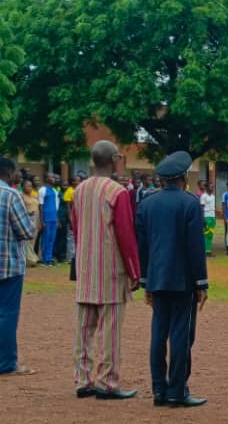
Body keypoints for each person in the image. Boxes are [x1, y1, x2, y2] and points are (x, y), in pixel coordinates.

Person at [135, 151, 209, 408]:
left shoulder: (146, 204)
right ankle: (177, 390)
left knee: (158, 333)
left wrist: (145, 280)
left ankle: (159, 390)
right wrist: (201, 283)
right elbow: (195, 248)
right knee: (181, 335)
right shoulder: (190, 204)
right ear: (183, 177)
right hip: (183, 281)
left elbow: (142, 247)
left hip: (156, 278)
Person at [71, 140, 142, 399]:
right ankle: (108, 381)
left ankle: (83, 379)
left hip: (86, 266)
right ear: (113, 159)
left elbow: (76, 229)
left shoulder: (79, 190)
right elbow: (125, 233)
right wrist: (134, 270)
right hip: (111, 269)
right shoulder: (118, 192)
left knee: (84, 328)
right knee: (110, 328)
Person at [0, 158, 36, 377]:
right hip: (9, 266)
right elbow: (27, 231)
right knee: (7, 315)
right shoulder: (11, 195)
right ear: (9, 172)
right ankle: (6, 364)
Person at [38, 174, 59, 266]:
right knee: (46, 238)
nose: (54, 179)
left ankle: (49, 258)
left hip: (54, 217)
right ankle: (44, 259)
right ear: (46, 179)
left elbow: (56, 206)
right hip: (46, 217)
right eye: (51, 177)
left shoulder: (55, 191)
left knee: (52, 238)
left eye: (54, 177)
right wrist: (42, 220)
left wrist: (57, 219)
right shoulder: (42, 190)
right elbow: (40, 206)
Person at [20, 180, 40, 267]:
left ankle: (29, 259)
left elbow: (38, 209)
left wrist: (40, 222)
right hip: (27, 219)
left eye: (31, 186)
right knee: (26, 241)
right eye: (27, 186)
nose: (30, 188)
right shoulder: (20, 196)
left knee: (33, 240)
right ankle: (30, 259)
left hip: (35, 219)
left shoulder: (34, 196)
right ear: (23, 187)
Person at [200, 183, 216, 257]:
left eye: (213, 187)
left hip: (212, 216)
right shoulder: (204, 196)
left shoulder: (213, 196)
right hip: (207, 216)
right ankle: (205, 251)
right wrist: (203, 218)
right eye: (211, 187)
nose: (212, 188)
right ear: (206, 188)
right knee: (206, 234)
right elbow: (202, 208)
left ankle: (208, 250)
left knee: (210, 234)